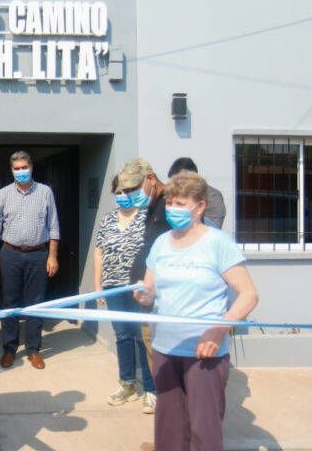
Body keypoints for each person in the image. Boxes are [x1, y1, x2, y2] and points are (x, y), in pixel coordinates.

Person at [134, 171, 258, 451]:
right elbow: (150, 291)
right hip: (165, 349)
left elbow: (248, 295)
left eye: (180, 203)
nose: (172, 209)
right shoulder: (162, 243)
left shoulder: (217, 243)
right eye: (169, 203)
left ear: (200, 206)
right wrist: (143, 295)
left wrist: (217, 331)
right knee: (168, 430)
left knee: (205, 430)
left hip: (205, 352)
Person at [0, 151, 60, 370]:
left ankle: (33, 350)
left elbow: (54, 226)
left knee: (35, 303)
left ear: (31, 167)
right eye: (16, 168)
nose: (21, 172)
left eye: (24, 167)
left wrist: (53, 255)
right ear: (11, 170)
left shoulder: (45, 192)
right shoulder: (4, 193)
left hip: (38, 254)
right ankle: (9, 349)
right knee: (10, 303)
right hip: (10, 253)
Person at [93, 176, 156, 414]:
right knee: (122, 336)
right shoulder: (108, 219)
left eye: (127, 191)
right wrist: (98, 285)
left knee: (143, 337)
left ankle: (151, 389)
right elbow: (99, 252)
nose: (122, 196)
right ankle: (127, 384)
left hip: (139, 288)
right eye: (118, 191)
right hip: (113, 287)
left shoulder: (146, 217)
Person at [120, 158, 170, 374]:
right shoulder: (153, 206)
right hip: (148, 298)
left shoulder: (171, 205)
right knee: (155, 359)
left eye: (134, 188)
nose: (131, 195)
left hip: (164, 302)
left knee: (165, 363)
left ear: (150, 179)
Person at [167, 157, 226, 229]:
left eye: (179, 181)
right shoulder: (173, 196)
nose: (175, 185)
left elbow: (214, 227)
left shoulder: (212, 197)